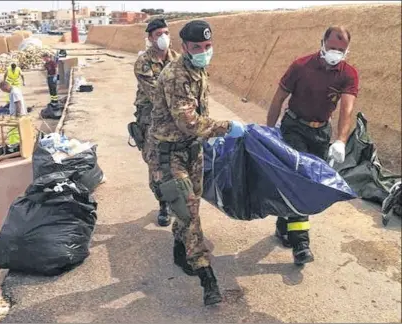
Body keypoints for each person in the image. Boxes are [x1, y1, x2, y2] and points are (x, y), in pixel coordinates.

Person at [147, 20, 246, 306]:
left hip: (191, 150)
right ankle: (207, 277)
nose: (204, 51)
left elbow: (199, 113)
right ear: (184, 48)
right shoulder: (176, 75)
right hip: (169, 155)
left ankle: (180, 249)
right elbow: (188, 121)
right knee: (190, 213)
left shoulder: (197, 68)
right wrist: (225, 127)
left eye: (207, 46)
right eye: (197, 47)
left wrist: (208, 136)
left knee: (190, 207)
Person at [266, 26, 359, 265]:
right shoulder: (301, 66)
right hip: (294, 127)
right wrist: (270, 130)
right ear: (322, 43)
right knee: (300, 182)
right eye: (332, 47)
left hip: (320, 133)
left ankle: (282, 223)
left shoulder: (348, 74)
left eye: (341, 49)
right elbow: (278, 99)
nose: (336, 53)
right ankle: (301, 243)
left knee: (306, 183)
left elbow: (347, 109)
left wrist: (340, 140)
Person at [132, 18, 180, 227]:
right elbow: (155, 94)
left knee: (177, 160)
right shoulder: (143, 62)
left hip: (174, 116)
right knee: (156, 162)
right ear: (150, 38)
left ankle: (176, 199)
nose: (164, 37)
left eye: (166, 32)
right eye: (158, 34)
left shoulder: (178, 59)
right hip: (151, 118)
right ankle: (163, 204)